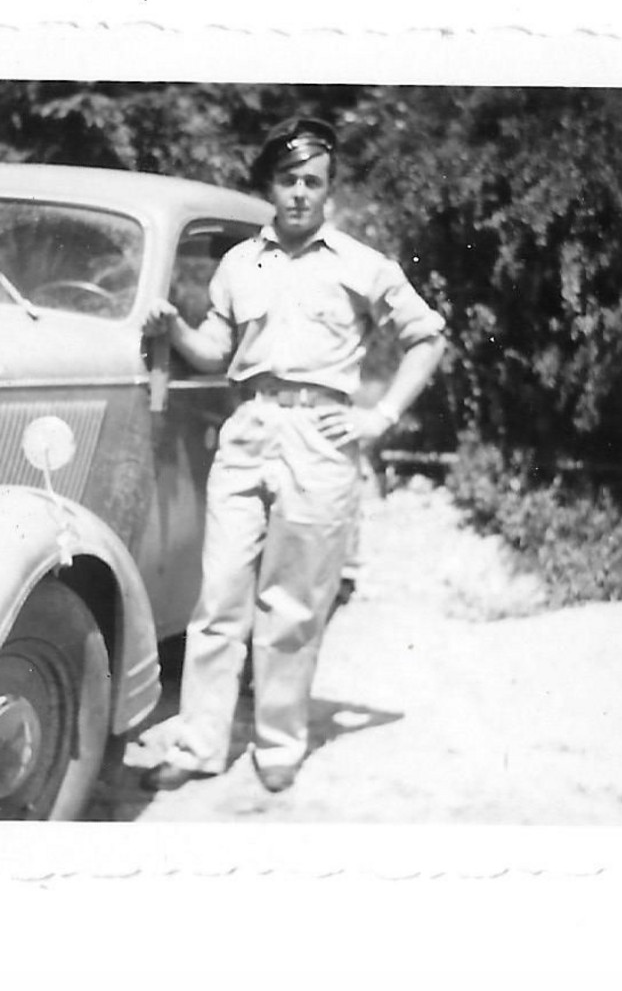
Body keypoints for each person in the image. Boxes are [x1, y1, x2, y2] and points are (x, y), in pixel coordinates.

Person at [141, 116, 446, 793]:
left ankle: (278, 743)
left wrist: (382, 415)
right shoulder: (237, 264)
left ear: (328, 191)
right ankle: (197, 744)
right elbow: (216, 352)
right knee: (218, 596)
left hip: (320, 440)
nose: (300, 193)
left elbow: (427, 338)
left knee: (291, 605)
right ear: (269, 186)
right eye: (288, 180)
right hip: (247, 430)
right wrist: (175, 329)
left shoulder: (364, 266)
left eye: (313, 181)